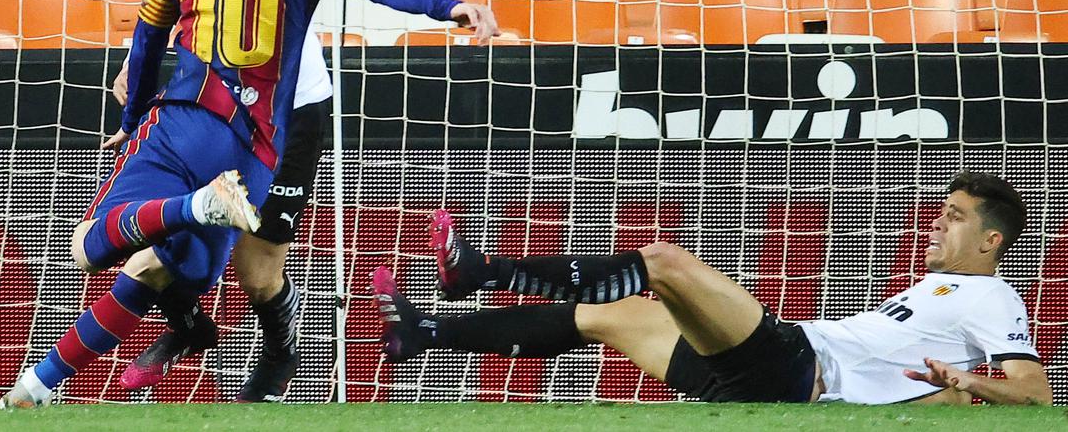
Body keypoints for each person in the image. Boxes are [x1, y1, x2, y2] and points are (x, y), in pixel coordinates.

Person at [0, 0, 498, 408]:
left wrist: (134, 121)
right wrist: (448, 6)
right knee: (165, 268)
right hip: (256, 149)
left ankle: (190, 212)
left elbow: (147, 43)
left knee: (89, 247)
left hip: (186, 122)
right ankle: (32, 392)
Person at [116, 0, 378, 402]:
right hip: (208, 108)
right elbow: (172, 6)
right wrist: (136, 62)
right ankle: (188, 324)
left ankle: (280, 343)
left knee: (256, 271)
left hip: (290, 110)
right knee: (154, 237)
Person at [374, 172, 1052, 405]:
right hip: (772, 378)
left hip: (797, 365)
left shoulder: (991, 296)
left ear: (992, 240)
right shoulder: (937, 286)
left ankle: (483, 271)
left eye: (954, 217)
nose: (936, 223)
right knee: (611, 315)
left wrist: (966, 385)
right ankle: (424, 333)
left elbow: (1034, 392)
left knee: (664, 262)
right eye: (939, 211)